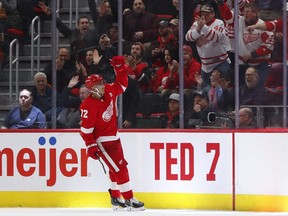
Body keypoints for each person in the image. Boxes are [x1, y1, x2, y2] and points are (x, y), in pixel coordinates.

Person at [80, 56, 145, 211]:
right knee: (120, 168)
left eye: (102, 82)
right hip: (103, 142)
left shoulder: (109, 90)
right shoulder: (88, 105)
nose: (103, 85)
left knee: (114, 168)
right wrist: (91, 146)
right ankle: (129, 199)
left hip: (114, 138)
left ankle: (116, 197)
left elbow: (122, 85)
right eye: (99, 84)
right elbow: (85, 130)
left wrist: (120, 69)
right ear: (92, 88)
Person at [216, 2, 275, 86]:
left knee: (258, 90)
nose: (245, 14)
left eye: (247, 12)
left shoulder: (263, 26)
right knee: (240, 90)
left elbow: (268, 46)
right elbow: (227, 16)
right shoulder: (240, 21)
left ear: (254, 13)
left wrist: (252, 55)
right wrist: (221, 4)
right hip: (243, 64)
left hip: (259, 65)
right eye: (244, 12)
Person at [185, 3, 231, 86]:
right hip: (205, 67)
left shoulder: (219, 22)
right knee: (206, 93)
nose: (204, 16)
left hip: (220, 63)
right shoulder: (196, 24)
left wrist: (203, 27)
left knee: (222, 90)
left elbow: (215, 37)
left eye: (207, 14)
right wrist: (198, 28)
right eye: (202, 14)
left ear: (213, 14)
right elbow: (188, 37)